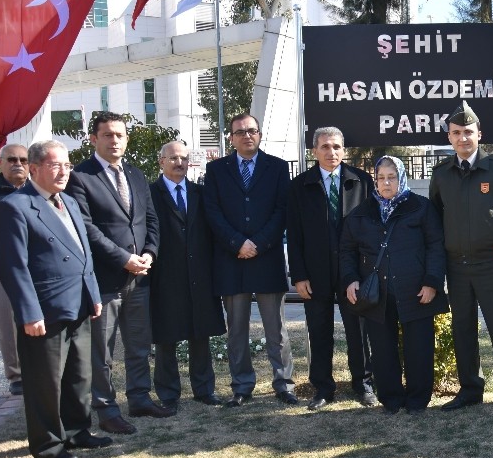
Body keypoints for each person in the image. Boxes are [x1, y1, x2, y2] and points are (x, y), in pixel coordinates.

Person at [0, 141, 109, 458]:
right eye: (55, 165)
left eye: (68, 165)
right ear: (34, 169)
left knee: (79, 375)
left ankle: (77, 431)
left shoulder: (69, 201)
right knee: (45, 382)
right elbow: (13, 266)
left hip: (78, 304)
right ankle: (48, 446)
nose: (64, 172)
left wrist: (93, 294)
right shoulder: (15, 207)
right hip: (43, 311)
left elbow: (83, 251)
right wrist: (29, 313)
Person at [67, 113, 167, 435]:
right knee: (103, 352)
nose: (114, 141)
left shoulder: (137, 175)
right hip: (105, 280)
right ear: (94, 139)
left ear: (127, 139)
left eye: (120, 135)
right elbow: (87, 229)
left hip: (140, 279)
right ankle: (106, 408)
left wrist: (149, 254)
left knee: (139, 346)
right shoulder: (81, 177)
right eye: (107, 135)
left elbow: (151, 221)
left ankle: (139, 398)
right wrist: (124, 258)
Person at [429, 102, 493, 419]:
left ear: (479, 134)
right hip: (455, 267)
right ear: (449, 136)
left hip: (490, 265)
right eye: (456, 133)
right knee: (463, 331)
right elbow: (434, 218)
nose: (463, 138)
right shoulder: (441, 174)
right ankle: (471, 390)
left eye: (468, 132)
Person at [340, 156, 448, 415]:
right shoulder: (362, 213)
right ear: (375, 180)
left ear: (401, 177)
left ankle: (417, 400)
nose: (386, 183)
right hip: (378, 293)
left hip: (416, 290)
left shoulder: (420, 207)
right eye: (381, 178)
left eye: (392, 177)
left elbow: (435, 246)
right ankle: (391, 398)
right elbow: (346, 250)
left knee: (419, 347)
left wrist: (432, 281)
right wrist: (351, 279)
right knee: (382, 349)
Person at [204, 113, 296, 407]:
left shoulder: (278, 168)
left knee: (276, 329)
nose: (247, 136)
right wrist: (237, 243)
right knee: (237, 330)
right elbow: (213, 213)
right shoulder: (216, 170)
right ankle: (241, 386)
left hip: (266, 257)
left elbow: (283, 210)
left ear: (259, 134)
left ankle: (283, 383)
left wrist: (258, 243)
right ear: (231, 137)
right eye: (240, 132)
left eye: (252, 131)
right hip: (232, 260)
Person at [287, 126, 377, 410]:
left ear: (344, 150)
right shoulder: (300, 186)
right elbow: (295, 235)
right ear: (314, 151)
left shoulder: (361, 182)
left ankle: (362, 384)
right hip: (315, 273)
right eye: (325, 147)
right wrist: (299, 275)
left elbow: (371, 231)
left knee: (358, 331)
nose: (331, 152)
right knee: (319, 330)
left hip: (353, 274)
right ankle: (323, 388)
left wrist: (366, 273)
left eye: (337, 147)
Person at [148, 141, 226, 410]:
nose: (179, 163)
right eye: (173, 159)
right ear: (161, 161)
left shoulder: (200, 193)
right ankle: (169, 394)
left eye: (183, 158)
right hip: (165, 277)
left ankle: (204, 389)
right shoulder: (150, 194)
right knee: (166, 338)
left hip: (199, 275)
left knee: (200, 334)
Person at [0, 144, 29, 396]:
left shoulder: (39, 193)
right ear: (0, 163)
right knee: (7, 325)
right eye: (12, 159)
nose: (18, 164)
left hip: (38, 272)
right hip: (2, 274)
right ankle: (16, 375)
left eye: (24, 160)